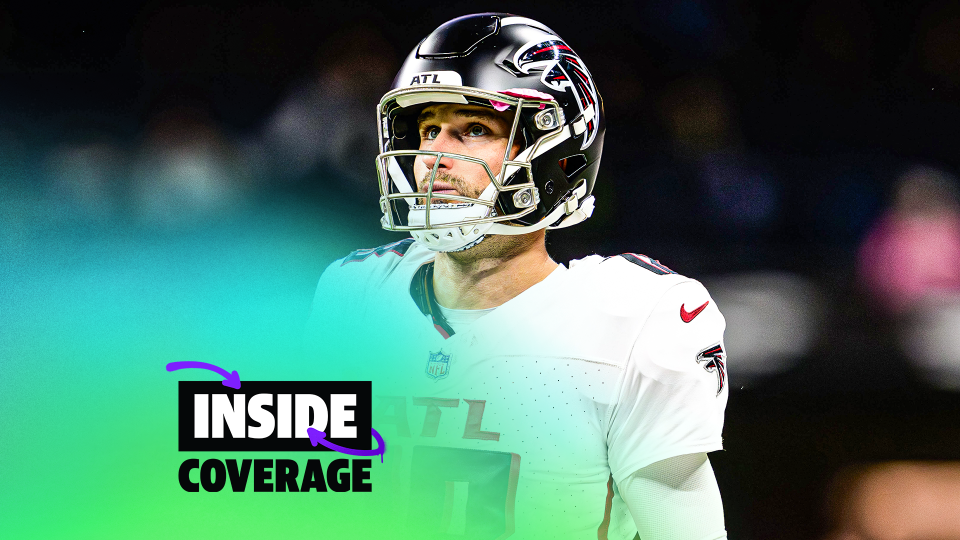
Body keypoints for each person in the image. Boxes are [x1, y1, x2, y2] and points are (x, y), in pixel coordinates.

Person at [306, 13, 729, 540]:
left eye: (474, 131)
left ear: (557, 150)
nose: (436, 155)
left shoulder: (632, 322)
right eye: (429, 129)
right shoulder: (356, 297)